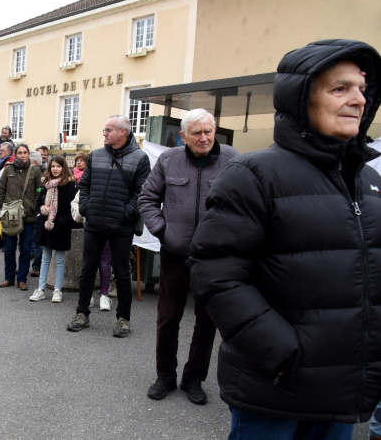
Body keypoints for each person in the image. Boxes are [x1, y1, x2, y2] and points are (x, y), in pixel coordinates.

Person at [190, 40, 381, 438]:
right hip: (275, 388)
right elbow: (216, 274)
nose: (358, 100)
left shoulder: (369, 181)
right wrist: (281, 352)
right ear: (301, 98)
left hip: (340, 390)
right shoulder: (253, 175)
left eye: (362, 89)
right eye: (340, 88)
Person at [137, 108, 239, 405]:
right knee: (168, 317)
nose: (204, 137)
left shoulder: (233, 159)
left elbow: (247, 201)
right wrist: (161, 231)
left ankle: (194, 379)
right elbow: (147, 198)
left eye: (208, 131)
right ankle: (165, 376)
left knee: (207, 321)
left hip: (214, 259)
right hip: (174, 254)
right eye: (197, 133)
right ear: (183, 137)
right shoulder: (169, 160)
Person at [67, 115, 150, 337]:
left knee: (122, 274)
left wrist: (125, 214)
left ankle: (123, 319)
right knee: (87, 270)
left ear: (122, 132)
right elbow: (84, 185)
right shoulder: (95, 155)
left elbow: (141, 194)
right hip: (94, 223)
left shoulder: (140, 159)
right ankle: (81, 313)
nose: (104, 133)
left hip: (121, 227)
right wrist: (85, 208)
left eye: (108, 130)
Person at [0, 144, 42, 291]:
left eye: (25, 152)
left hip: (27, 216)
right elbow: (0, 192)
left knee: (26, 249)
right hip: (10, 216)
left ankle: (22, 279)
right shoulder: (8, 170)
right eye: (19, 153)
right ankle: (9, 277)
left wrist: (31, 208)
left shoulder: (35, 171)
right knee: (9, 248)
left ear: (28, 154)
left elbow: (39, 192)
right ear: (15, 154)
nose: (22, 155)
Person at [28, 156, 77, 303]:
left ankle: (57, 290)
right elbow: (38, 204)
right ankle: (41, 289)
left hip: (60, 227)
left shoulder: (70, 186)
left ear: (64, 168)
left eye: (58, 166)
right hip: (46, 227)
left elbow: (72, 211)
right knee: (45, 258)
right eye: (53, 166)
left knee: (60, 259)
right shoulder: (46, 185)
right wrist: (41, 211)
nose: (55, 169)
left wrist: (58, 222)